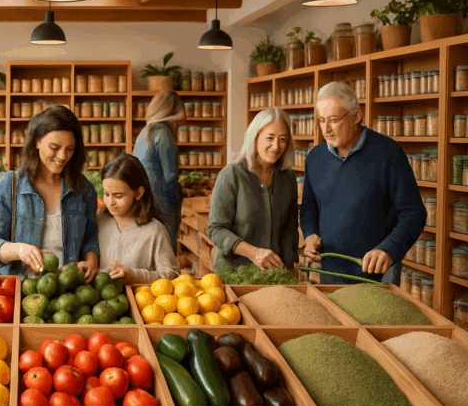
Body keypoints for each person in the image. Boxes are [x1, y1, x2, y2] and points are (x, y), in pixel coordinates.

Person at [301, 81, 426, 284]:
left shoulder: (389, 153)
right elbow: (309, 206)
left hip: (379, 274)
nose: (326, 129)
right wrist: (310, 234)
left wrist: (389, 248)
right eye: (321, 120)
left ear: (356, 116)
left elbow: (414, 213)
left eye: (333, 120)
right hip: (331, 272)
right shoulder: (315, 157)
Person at [0, 105, 100, 280]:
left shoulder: (84, 190)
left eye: (70, 149)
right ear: (36, 141)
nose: (62, 156)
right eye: (54, 147)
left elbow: (90, 237)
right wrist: (19, 250)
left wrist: (92, 259)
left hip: (68, 291)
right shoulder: (9, 185)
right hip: (20, 288)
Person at [207, 107, 299, 270]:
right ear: (254, 138)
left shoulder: (288, 178)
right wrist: (253, 252)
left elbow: (289, 231)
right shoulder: (231, 175)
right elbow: (216, 230)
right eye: (269, 138)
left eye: (283, 139)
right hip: (234, 273)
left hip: (273, 275)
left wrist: (290, 268)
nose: (276, 147)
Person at [97, 154, 180, 284]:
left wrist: (134, 275)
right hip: (101, 302)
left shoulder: (154, 231)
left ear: (139, 193)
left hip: (141, 302)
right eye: (106, 194)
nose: (110, 202)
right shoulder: (99, 223)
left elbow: (172, 275)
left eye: (118, 196)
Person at [132, 91, 185, 252]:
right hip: (161, 201)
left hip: (145, 200)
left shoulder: (145, 131)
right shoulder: (163, 132)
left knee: (151, 248)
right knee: (166, 248)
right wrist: (180, 193)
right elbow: (170, 176)